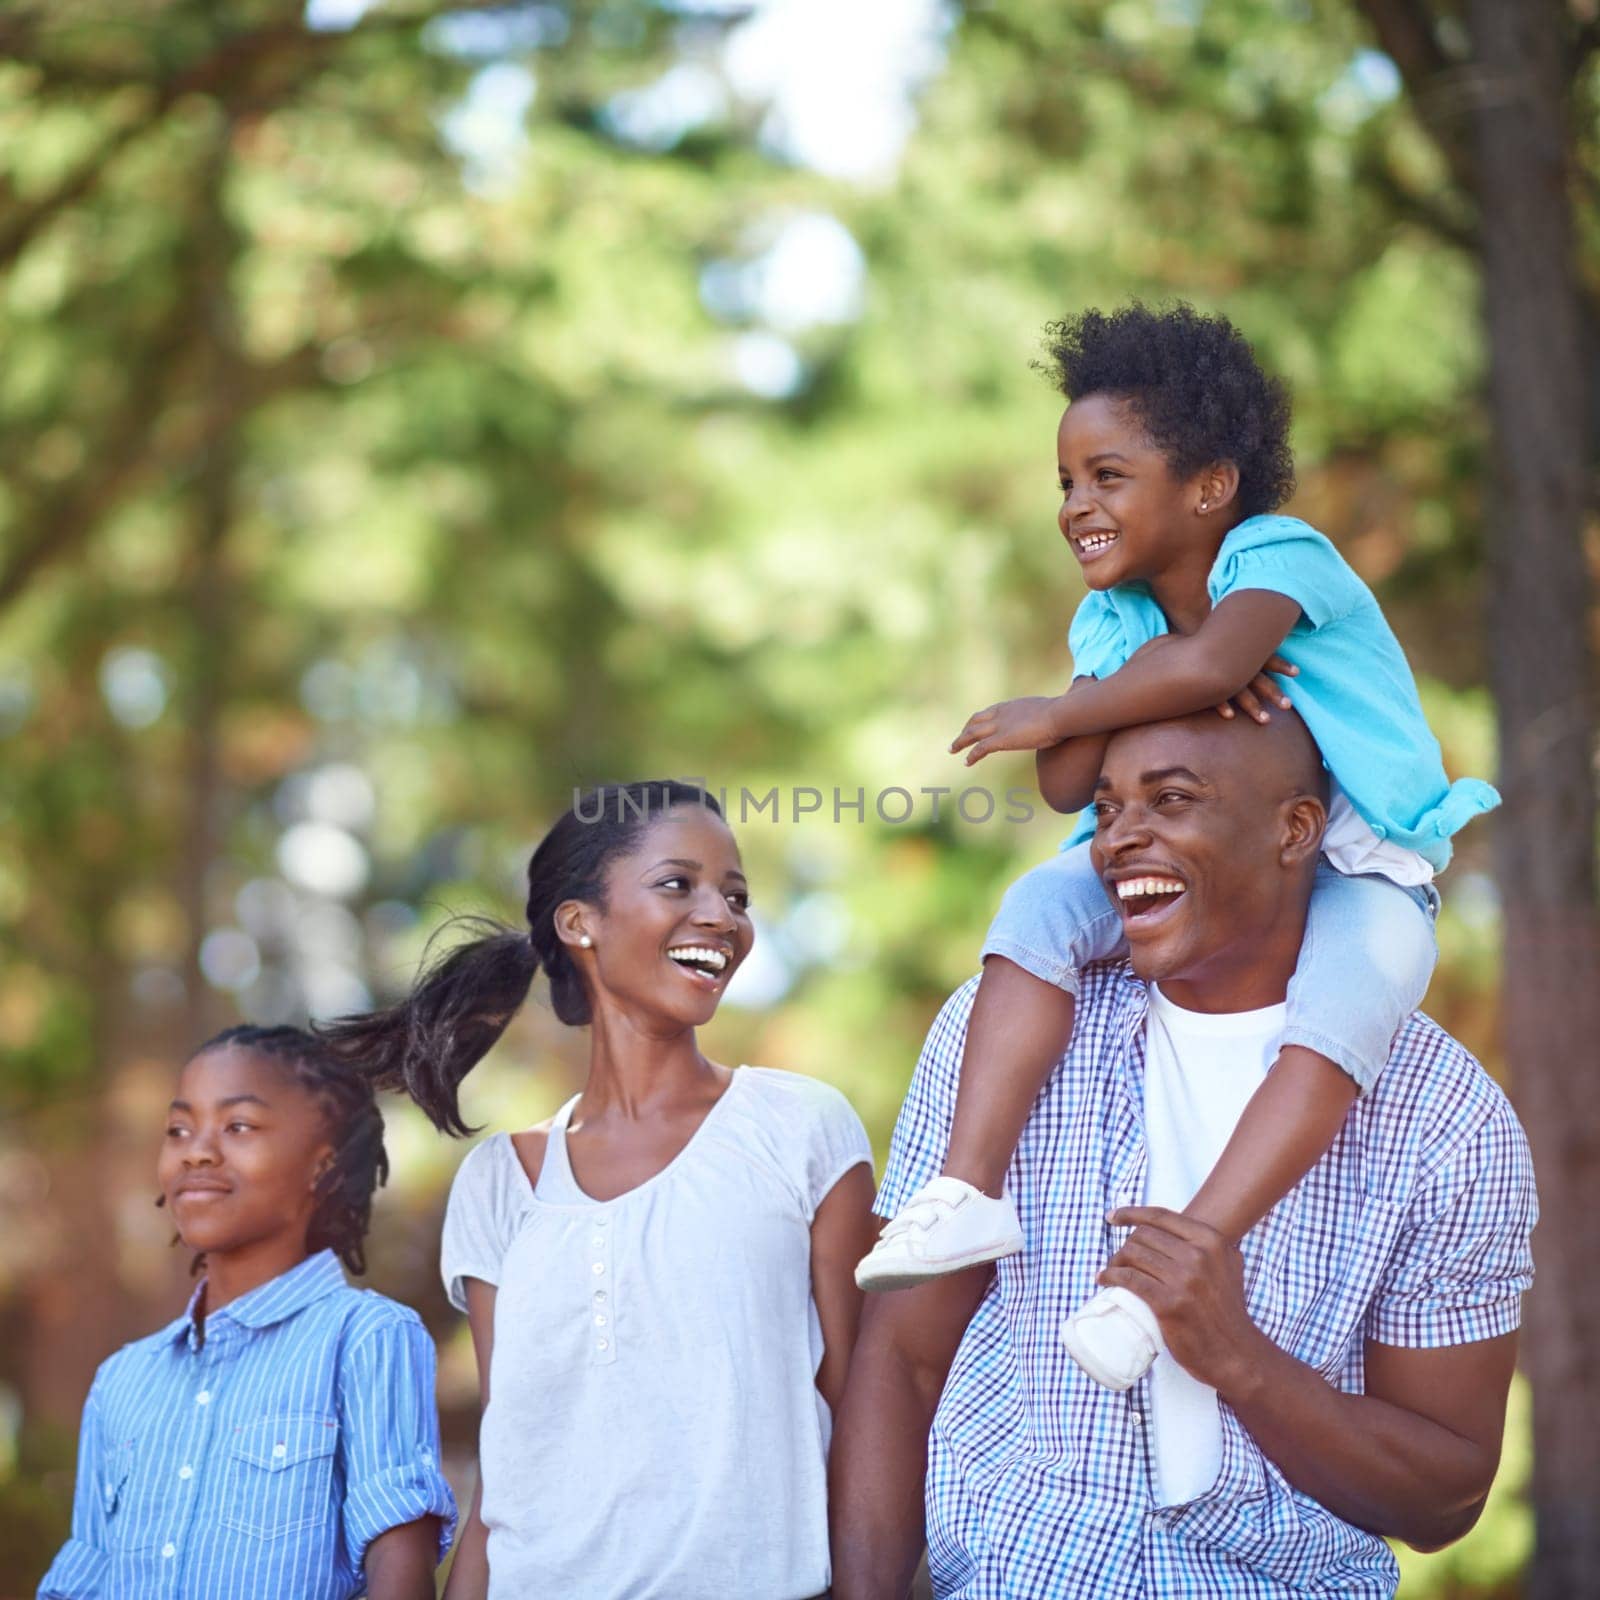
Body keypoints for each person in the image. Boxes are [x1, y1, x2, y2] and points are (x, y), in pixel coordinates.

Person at [856, 303, 1499, 1393]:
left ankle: (1170, 1270)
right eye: (1064, 482)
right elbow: (1071, 785)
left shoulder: (1281, 553)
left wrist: (1076, 705)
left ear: (1206, 486)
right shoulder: (1112, 621)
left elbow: (1205, 675)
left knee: (1339, 1023)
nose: (1075, 506)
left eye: (1107, 476)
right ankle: (965, 1190)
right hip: (1189, 850)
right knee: (1031, 913)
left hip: (1355, 852)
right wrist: (1107, 697)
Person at [830, 708, 1536, 1599]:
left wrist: (1240, 1359)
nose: (1121, 838)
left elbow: (1448, 1497)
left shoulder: (1444, 1118)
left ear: (1294, 830)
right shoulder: (1004, 1035)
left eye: (1171, 800)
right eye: (1109, 806)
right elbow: (901, 1360)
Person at [322, 779, 877, 1600]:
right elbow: (507, 1471)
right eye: (677, 884)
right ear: (580, 923)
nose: (721, 917)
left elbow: (863, 1413)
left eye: (736, 895)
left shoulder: (800, 1129)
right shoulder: (500, 1184)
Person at [38, 1025, 456, 1600]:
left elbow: (399, 1571)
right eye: (178, 1130)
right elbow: (80, 1581)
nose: (197, 1150)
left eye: (238, 1126)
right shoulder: (122, 1381)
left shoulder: (364, 1339)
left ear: (322, 1164)